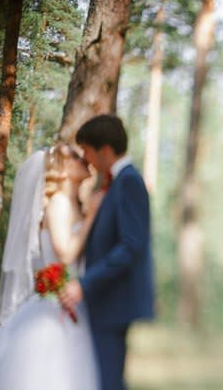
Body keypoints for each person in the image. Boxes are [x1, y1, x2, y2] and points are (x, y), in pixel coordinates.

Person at [0, 143, 104, 390]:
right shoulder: (58, 203)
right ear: (63, 169)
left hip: (75, 303)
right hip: (53, 308)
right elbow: (67, 253)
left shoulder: (75, 205)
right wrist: (92, 217)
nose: (84, 159)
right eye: (75, 156)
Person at [59, 114, 155, 390]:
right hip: (104, 302)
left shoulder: (129, 182)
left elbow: (131, 246)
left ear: (105, 149)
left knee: (109, 381)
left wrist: (84, 284)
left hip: (115, 301)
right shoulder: (115, 182)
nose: (86, 158)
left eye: (87, 150)